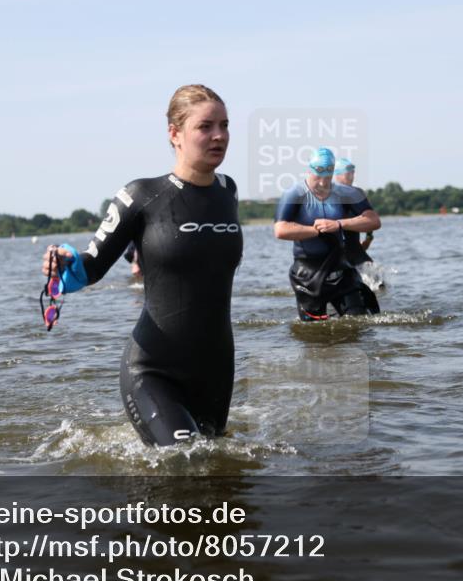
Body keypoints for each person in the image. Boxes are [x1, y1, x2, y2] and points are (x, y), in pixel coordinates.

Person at [40, 84, 242, 447]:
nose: (219, 136)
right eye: (205, 126)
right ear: (174, 134)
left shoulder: (228, 191)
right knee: (187, 460)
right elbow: (91, 266)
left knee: (219, 469)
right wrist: (64, 263)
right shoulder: (141, 195)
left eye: (224, 125)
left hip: (215, 370)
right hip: (153, 369)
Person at [274, 147, 381, 320]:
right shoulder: (294, 194)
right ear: (309, 170)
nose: (323, 183)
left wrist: (338, 224)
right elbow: (280, 230)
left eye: (328, 177)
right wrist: (316, 230)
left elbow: (374, 220)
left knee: (358, 321)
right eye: (319, 176)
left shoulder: (347, 193)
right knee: (312, 329)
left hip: (339, 266)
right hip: (307, 272)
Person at [334, 157, 383, 290]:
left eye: (353, 172)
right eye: (348, 172)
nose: (352, 175)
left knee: (379, 284)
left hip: (355, 249)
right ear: (337, 174)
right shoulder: (330, 195)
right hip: (337, 252)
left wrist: (369, 238)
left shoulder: (358, 193)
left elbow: (369, 217)